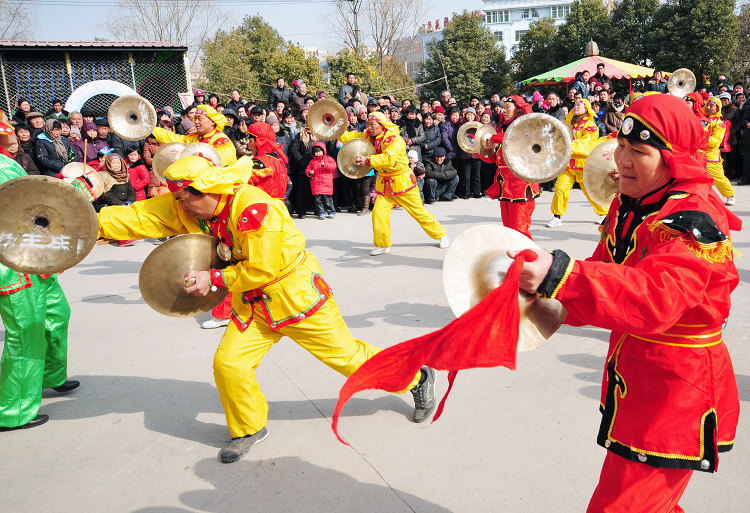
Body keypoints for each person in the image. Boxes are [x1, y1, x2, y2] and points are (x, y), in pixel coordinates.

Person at [97, 156, 436, 462]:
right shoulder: (185, 203)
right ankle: (248, 427)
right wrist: (82, 221)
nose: (180, 208)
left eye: (185, 199)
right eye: (178, 201)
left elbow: (263, 269)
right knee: (229, 364)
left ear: (208, 190)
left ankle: (416, 376)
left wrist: (213, 278)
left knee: (349, 359)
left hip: (298, 298)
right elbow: (139, 216)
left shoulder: (255, 209)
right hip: (254, 305)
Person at [512, 93, 740, 512]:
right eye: (620, 145)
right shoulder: (631, 204)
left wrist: (561, 275)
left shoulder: (692, 220)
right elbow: (605, 274)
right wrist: (539, 293)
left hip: (676, 390)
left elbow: (655, 298)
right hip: (636, 373)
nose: (622, 160)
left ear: (672, 159)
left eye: (639, 151)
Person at [0, 147, 79, 432]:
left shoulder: (6, 161)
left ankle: (48, 376)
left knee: (57, 316)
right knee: (25, 335)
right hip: (10, 263)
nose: (12, 137)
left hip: (33, 257)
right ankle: (13, 411)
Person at [339, 111, 450, 255]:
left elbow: (388, 159)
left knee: (419, 213)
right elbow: (350, 137)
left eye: (372, 125)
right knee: (378, 213)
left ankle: (441, 235)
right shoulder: (368, 136)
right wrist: (334, 130)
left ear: (382, 125)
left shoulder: (395, 140)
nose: (369, 128)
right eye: (368, 124)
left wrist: (368, 160)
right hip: (385, 184)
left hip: (403, 183)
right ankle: (382, 244)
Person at [483, 95, 540, 239]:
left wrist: (494, 138)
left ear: (518, 110)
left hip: (520, 185)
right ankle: (513, 259)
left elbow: (514, 136)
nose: (504, 110)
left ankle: (526, 258)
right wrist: (485, 149)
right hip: (505, 184)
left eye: (508, 107)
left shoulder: (526, 129)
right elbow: (496, 160)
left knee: (519, 230)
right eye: (504, 108)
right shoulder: (502, 130)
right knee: (508, 229)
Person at [547, 99, 609, 227]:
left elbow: (587, 144)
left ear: (586, 108)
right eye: (574, 105)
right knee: (560, 188)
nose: (575, 107)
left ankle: (604, 214)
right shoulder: (567, 124)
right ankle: (557, 216)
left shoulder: (590, 125)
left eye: (579, 105)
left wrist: (569, 146)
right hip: (568, 164)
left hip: (583, 165)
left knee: (590, 192)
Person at [152, 105, 236, 166]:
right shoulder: (194, 137)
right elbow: (172, 138)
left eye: (200, 119)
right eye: (195, 119)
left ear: (212, 121)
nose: (196, 122)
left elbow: (218, 162)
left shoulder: (221, 140)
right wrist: (150, 129)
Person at [703, 96, 736, 206]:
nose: (708, 107)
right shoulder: (700, 119)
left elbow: (716, 141)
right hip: (698, 152)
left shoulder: (719, 123)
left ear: (717, 109)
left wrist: (701, 137)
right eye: (707, 104)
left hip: (711, 155)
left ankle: (730, 194)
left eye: (711, 106)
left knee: (718, 177)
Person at [306, 142, 337, 219]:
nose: (318, 153)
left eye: (320, 151)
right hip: (316, 184)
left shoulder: (329, 159)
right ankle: (321, 212)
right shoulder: (312, 162)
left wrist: (325, 164)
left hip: (326, 184)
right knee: (318, 200)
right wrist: (309, 172)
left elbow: (333, 167)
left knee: (327, 199)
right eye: (316, 151)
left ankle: (331, 211)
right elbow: (307, 169)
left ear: (324, 151)